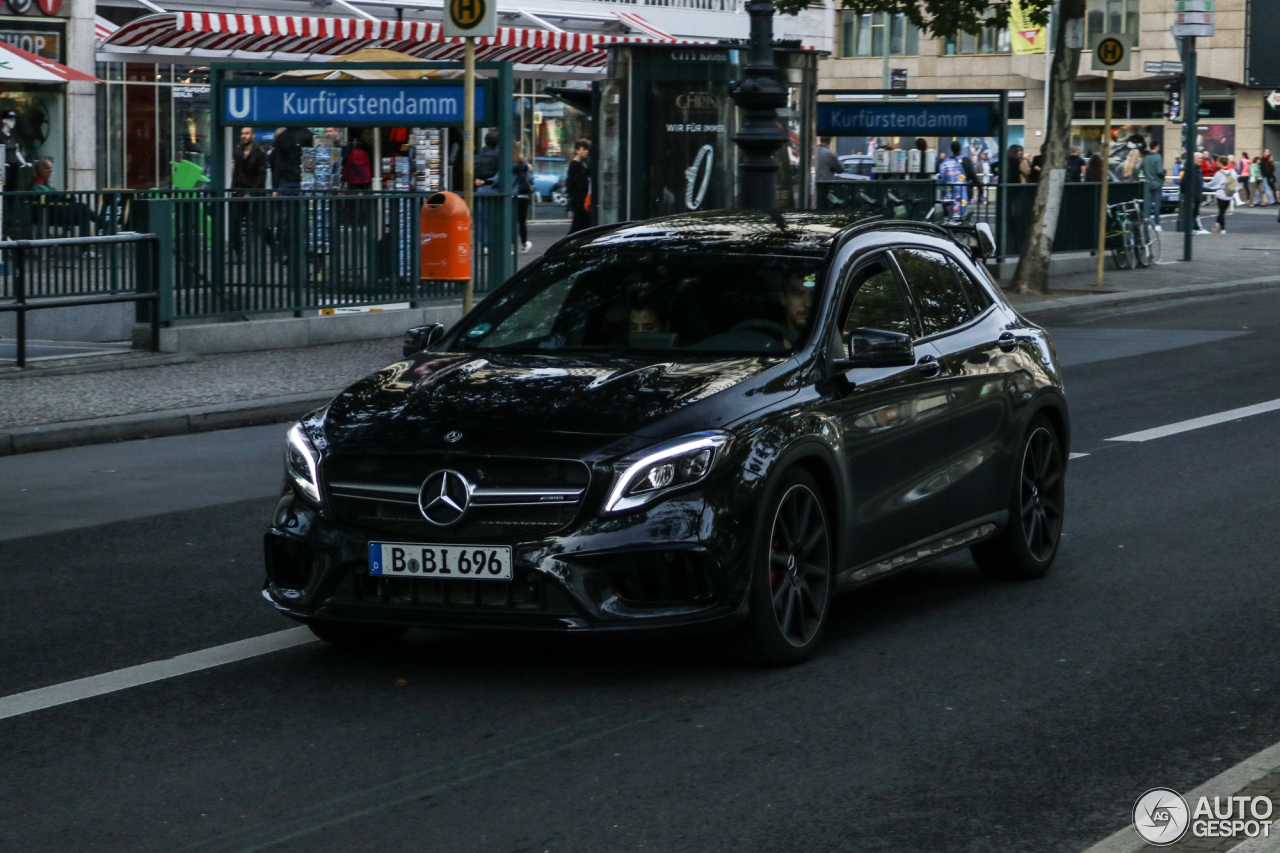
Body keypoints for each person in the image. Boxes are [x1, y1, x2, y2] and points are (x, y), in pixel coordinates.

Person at [230, 127, 267, 258]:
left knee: (259, 225)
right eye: (242, 134)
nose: (244, 136)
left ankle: (273, 248)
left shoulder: (260, 153)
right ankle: (238, 254)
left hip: (253, 192)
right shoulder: (238, 151)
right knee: (234, 224)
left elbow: (261, 175)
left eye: (247, 133)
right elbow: (236, 173)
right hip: (239, 191)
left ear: (253, 135)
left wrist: (251, 192)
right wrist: (233, 190)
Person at [777, 273, 815, 346]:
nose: (808, 303)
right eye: (798, 294)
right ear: (783, 298)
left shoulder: (829, 341)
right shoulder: (766, 341)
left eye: (813, 295)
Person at [566, 138, 591, 234]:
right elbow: (579, 182)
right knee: (579, 225)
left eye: (587, 149)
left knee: (579, 225)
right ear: (577, 150)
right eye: (583, 149)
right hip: (579, 201)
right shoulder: (575, 165)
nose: (586, 151)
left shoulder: (583, 164)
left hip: (581, 200)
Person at [1139, 140, 1165, 230]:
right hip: (1157, 183)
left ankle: (1148, 223)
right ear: (1156, 147)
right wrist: (1164, 174)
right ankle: (1157, 224)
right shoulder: (1158, 157)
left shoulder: (1146, 158)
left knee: (1148, 205)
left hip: (1148, 183)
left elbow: (1142, 168)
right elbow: (1159, 171)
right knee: (1157, 205)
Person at [512, 141, 533, 253]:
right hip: (523, 194)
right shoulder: (524, 163)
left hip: (511, 194)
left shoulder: (506, 162)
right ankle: (524, 243)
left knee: (510, 221)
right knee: (522, 221)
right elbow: (530, 179)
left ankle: (510, 245)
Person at [938, 144, 968, 219]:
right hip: (963, 194)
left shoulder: (945, 163)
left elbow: (941, 177)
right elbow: (973, 176)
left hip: (949, 193)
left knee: (949, 215)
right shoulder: (966, 160)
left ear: (951, 150)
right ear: (960, 148)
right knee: (962, 215)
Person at [1183, 152, 1208, 234]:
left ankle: (1196, 228)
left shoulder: (1198, 168)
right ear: (1194, 159)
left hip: (1197, 195)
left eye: (1202, 158)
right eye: (1199, 158)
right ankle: (1192, 229)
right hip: (1192, 195)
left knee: (1195, 212)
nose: (1201, 160)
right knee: (1192, 212)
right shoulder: (1191, 169)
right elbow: (1184, 181)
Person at [1207, 155, 1232, 234]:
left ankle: (1220, 227)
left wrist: (1203, 184)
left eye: (1218, 162)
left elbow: (1213, 184)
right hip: (1229, 194)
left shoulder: (1219, 173)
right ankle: (1221, 228)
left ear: (1221, 163)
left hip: (1221, 194)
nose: (1217, 163)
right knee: (1223, 212)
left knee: (1221, 212)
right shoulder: (1232, 171)